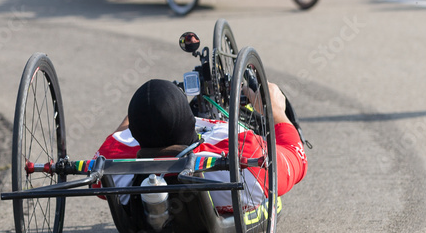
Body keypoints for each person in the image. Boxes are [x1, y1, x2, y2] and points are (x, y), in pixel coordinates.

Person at [94, 78, 307, 219]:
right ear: (189, 122)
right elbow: (296, 157)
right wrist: (277, 112)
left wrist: (147, 111)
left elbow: (119, 138)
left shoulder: (110, 164)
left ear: (136, 131)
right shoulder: (245, 152)